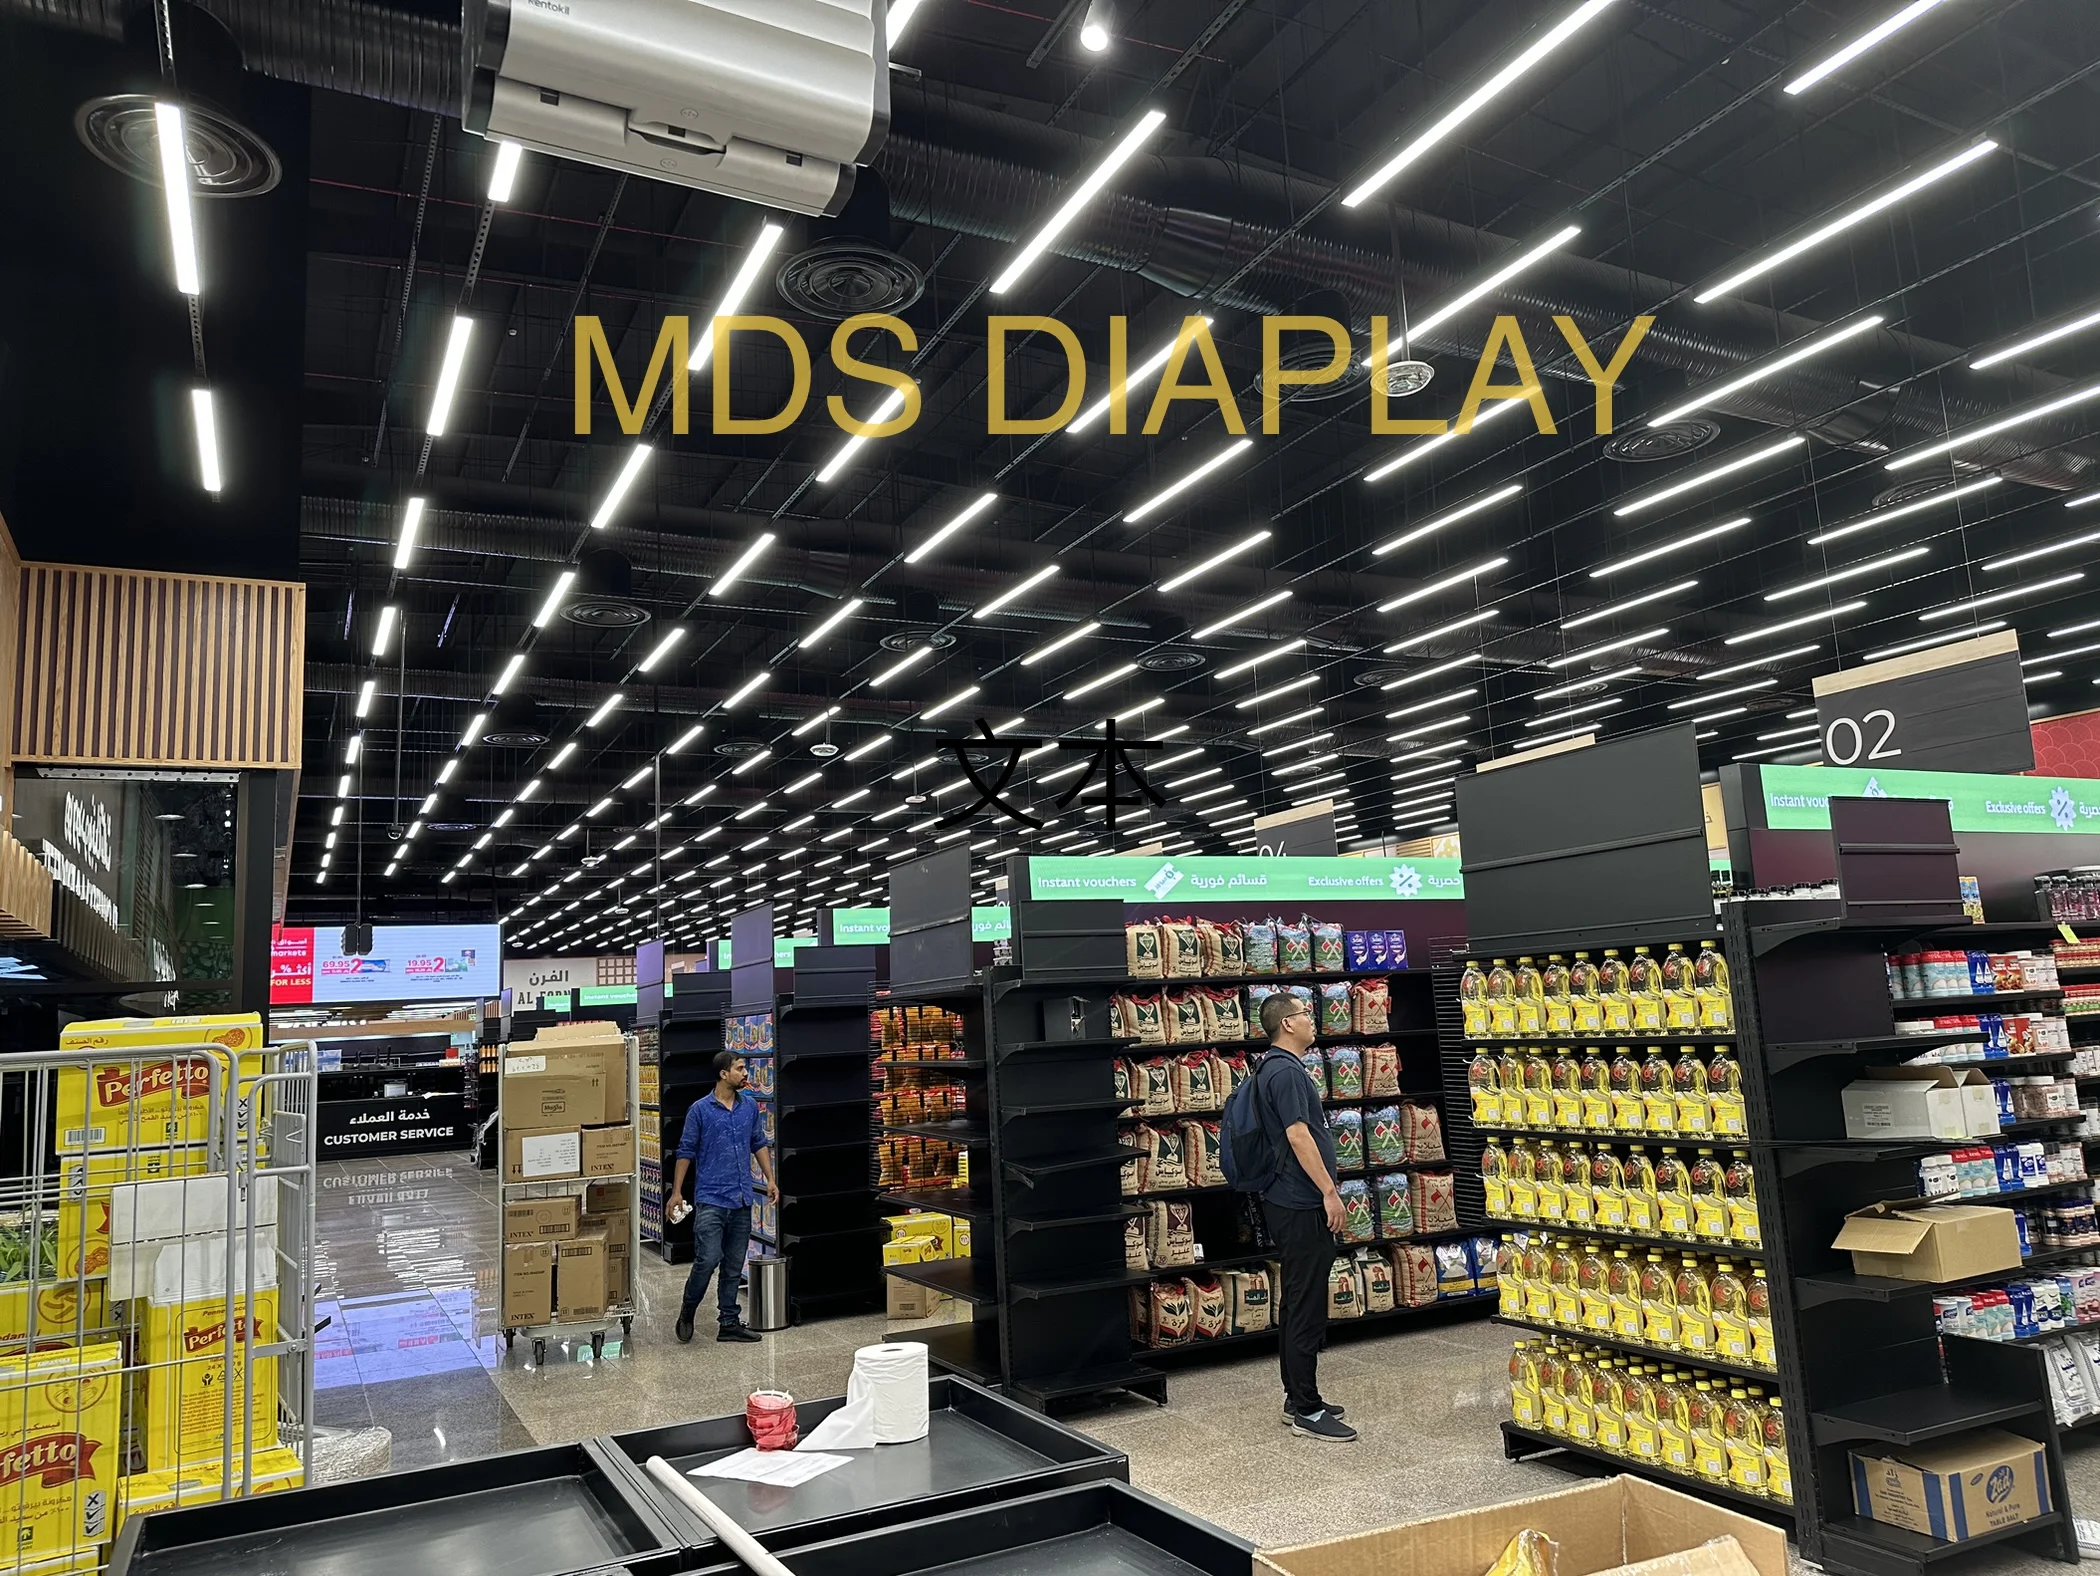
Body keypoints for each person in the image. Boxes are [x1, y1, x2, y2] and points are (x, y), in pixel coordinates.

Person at [1253, 992, 1356, 1442]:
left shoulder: (1273, 1067)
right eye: (1304, 1013)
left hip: (1287, 1198)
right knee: (1306, 1304)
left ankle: (1296, 1397)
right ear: (1287, 1024)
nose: (1312, 1019)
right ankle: (1307, 1411)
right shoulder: (1287, 1072)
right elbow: (1298, 1136)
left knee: (1297, 1299)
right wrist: (1329, 1192)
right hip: (1300, 1202)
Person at [669, 1050, 777, 1343]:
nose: (746, 1073)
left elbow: (758, 1142)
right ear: (723, 1074)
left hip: (741, 1198)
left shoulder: (749, 1106)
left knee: (733, 1264)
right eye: (740, 1068)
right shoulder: (700, 1110)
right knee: (708, 1259)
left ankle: (728, 1322)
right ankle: (688, 1309)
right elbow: (685, 1151)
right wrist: (676, 1192)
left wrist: (770, 1179)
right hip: (711, 1199)